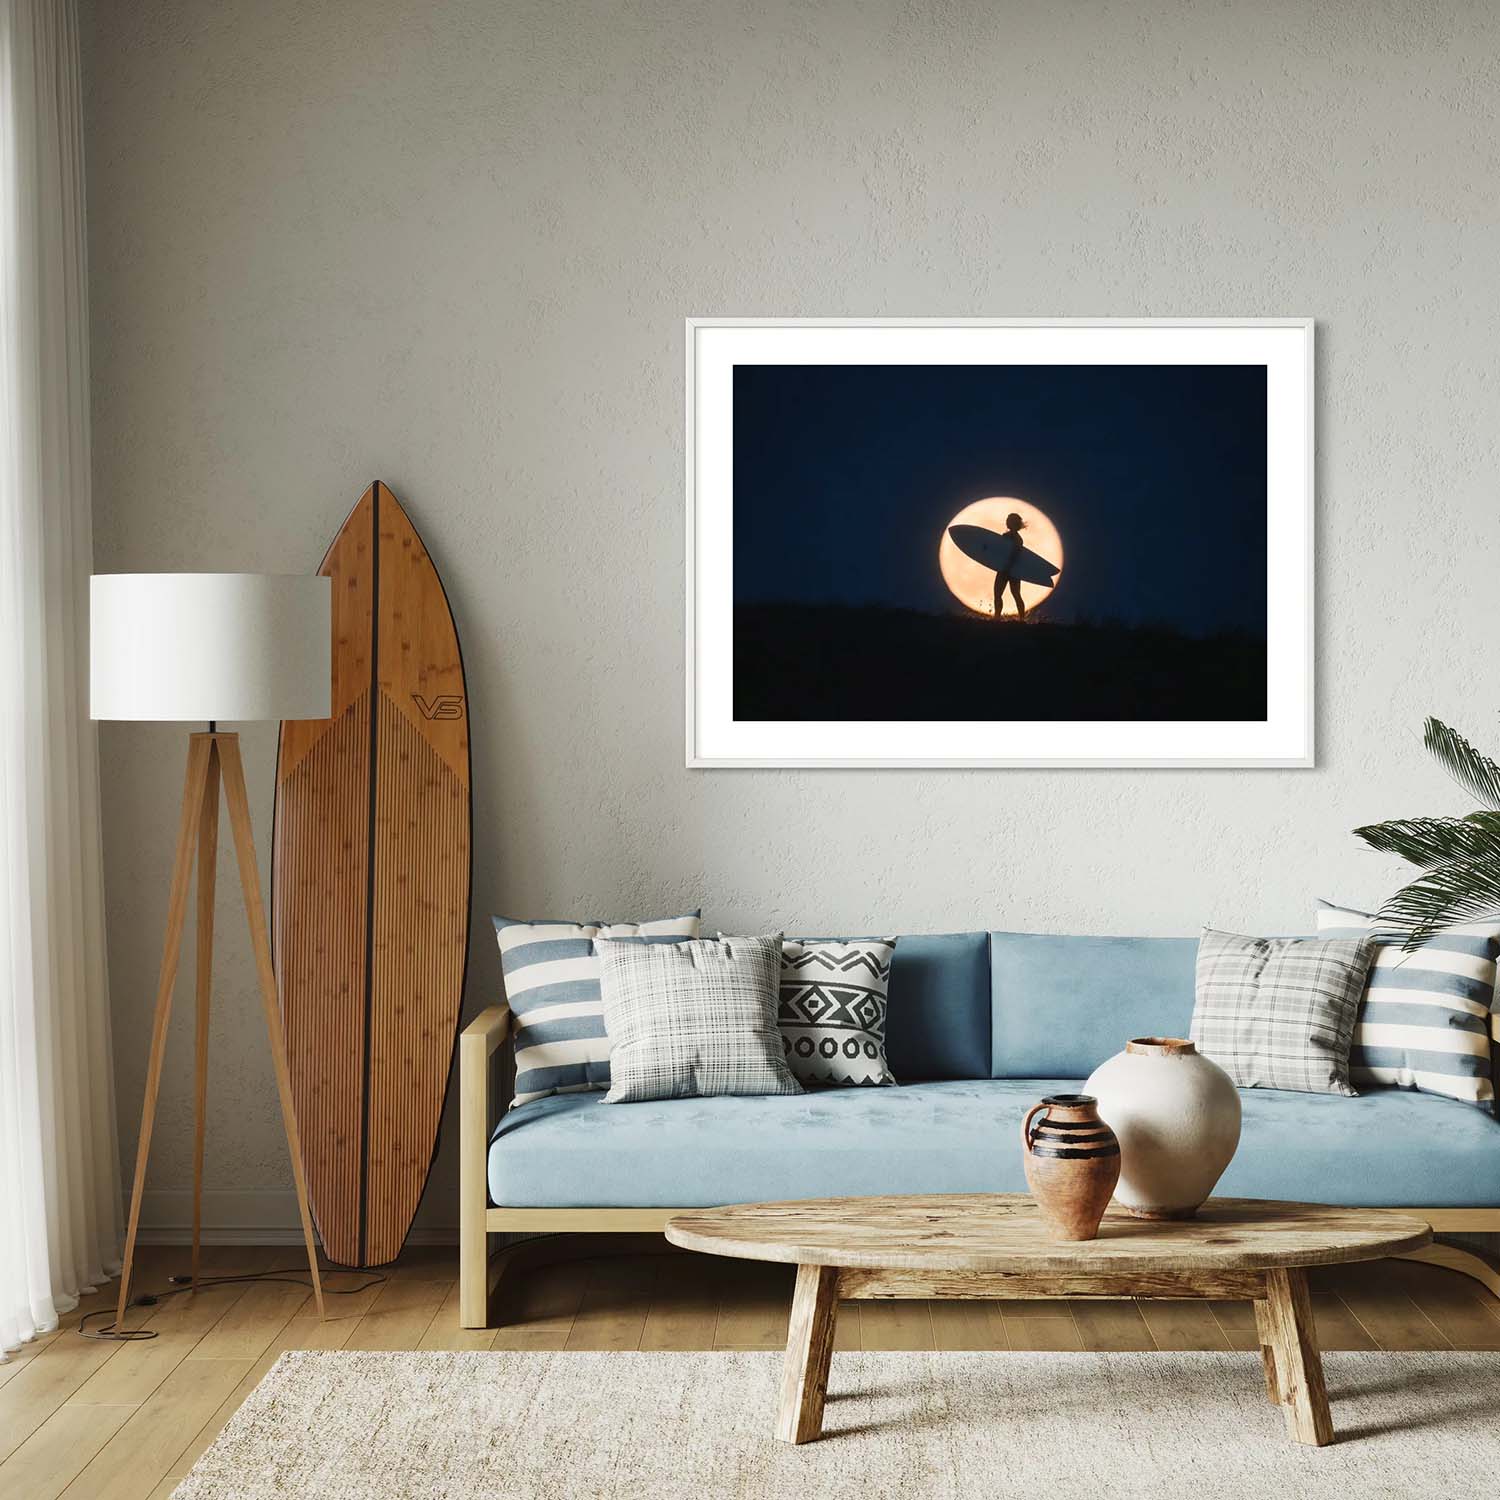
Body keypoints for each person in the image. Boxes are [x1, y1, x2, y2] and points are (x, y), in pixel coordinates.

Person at [992, 512, 1027, 619]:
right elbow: (1000, 551)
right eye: (1007, 520)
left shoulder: (1018, 539)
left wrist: (1007, 567)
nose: (1006, 522)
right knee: (998, 594)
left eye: (1009, 520)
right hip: (1006, 569)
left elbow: (1015, 554)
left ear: (1014, 523)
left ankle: (1022, 619)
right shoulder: (1005, 536)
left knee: (1015, 594)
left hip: (1011, 570)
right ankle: (997, 618)